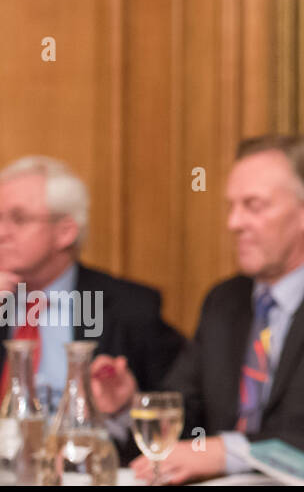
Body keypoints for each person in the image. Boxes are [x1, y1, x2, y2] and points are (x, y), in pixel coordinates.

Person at [95, 136, 304, 484]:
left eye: (253, 206)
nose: (234, 223)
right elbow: (190, 412)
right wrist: (131, 407)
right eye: (232, 206)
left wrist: (233, 451)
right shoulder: (224, 300)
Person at [0, 156, 184, 459]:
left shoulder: (131, 308)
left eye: (18, 219)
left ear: (65, 232)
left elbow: (184, 414)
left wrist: (126, 405)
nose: (3, 232)